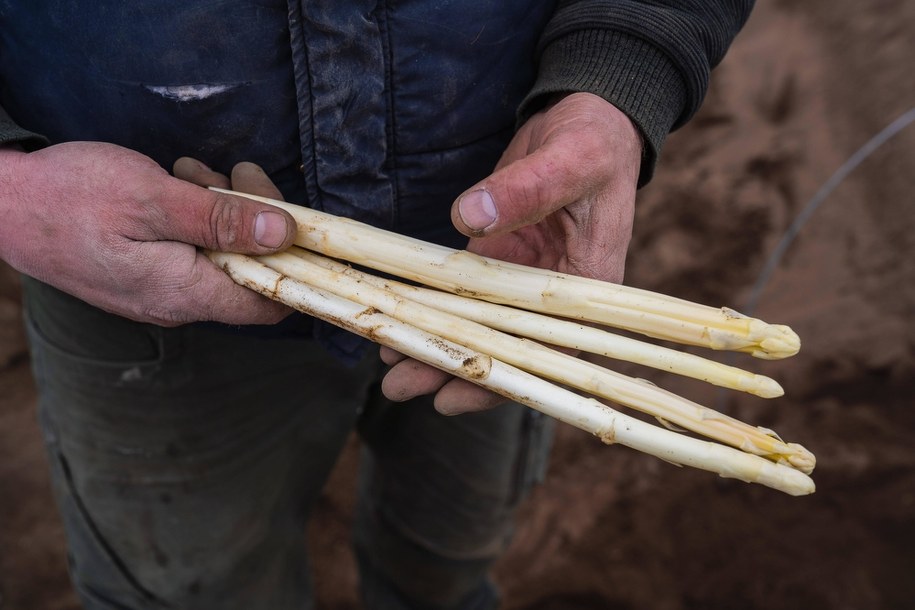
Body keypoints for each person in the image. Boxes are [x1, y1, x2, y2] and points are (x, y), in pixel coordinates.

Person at [0, 1, 754, 608]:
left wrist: (618, 75)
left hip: (509, 233)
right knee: (188, 584)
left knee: (451, 548)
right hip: (129, 257)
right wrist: (10, 188)